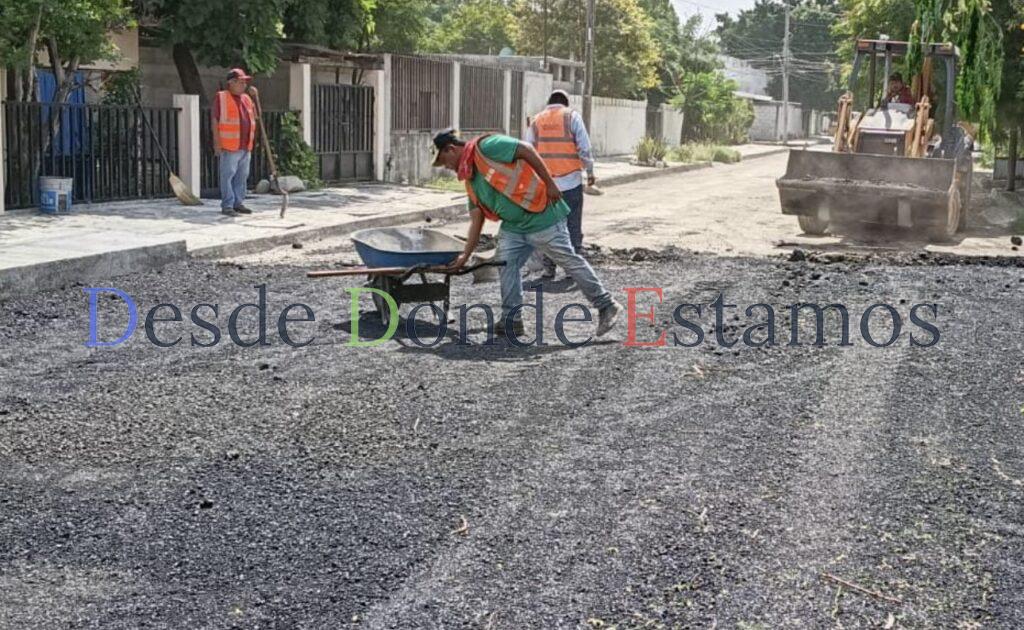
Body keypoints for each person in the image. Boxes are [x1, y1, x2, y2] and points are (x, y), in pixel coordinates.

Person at [432, 128, 622, 338]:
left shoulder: (487, 146)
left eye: (444, 161)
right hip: (514, 228)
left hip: (542, 216)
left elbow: (526, 149)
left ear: (451, 149)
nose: (447, 168)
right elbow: (477, 221)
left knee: (569, 260)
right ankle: (511, 321)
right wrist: (464, 257)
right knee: (506, 265)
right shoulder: (471, 180)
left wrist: (550, 183)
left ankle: (607, 305)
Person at [525, 89, 595, 280]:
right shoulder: (571, 116)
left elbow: (527, 150)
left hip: (546, 185)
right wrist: (589, 171)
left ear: (549, 102)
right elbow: (585, 148)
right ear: (565, 103)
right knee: (572, 224)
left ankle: (549, 269)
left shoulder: (537, 120)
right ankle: (573, 270)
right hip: (570, 182)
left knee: (549, 227)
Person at [212, 68, 258, 216]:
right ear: (231, 83)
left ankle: (238, 203)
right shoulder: (222, 97)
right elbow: (215, 120)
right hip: (230, 146)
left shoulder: (246, 98)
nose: (244, 85)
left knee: (242, 176)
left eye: (245, 82)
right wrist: (217, 142)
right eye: (240, 82)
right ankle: (227, 205)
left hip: (245, 145)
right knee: (228, 176)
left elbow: (257, 116)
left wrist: (256, 98)